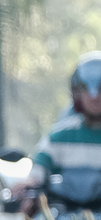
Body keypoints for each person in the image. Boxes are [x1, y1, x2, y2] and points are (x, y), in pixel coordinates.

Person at [20, 52, 101, 204]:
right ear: (76, 93)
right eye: (85, 88)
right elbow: (37, 173)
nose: (94, 96)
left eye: (100, 88)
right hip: (60, 216)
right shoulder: (58, 137)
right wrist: (28, 186)